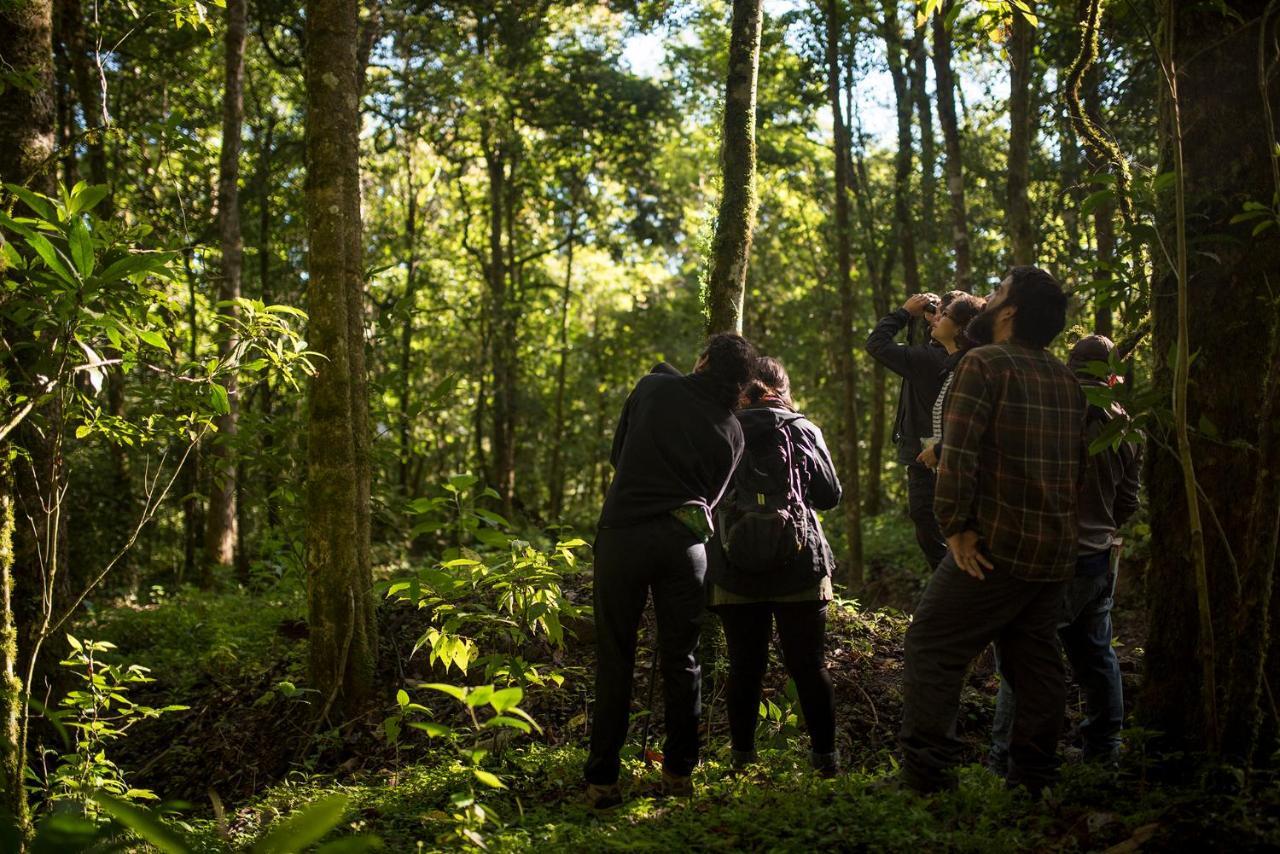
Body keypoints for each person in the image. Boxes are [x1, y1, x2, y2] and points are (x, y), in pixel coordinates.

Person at [897, 266, 1086, 795]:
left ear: (1010, 312)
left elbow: (960, 453)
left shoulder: (983, 363)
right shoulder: (1065, 378)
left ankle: (926, 778)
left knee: (932, 642)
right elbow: (1076, 469)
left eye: (997, 294)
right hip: (1051, 552)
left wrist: (954, 528)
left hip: (995, 547)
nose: (986, 302)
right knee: (1035, 662)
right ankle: (1034, 780)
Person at [585, 333, 757, 809]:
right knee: (683, 660)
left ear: (702, 360)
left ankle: (603, 780)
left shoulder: (653, 389)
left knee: (615, 657)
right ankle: (679, 774)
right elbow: (715, 499)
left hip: (624, 534)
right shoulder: (733, 430)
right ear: (742, 385)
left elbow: (619, 456)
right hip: (685, 546)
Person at [989, 334, 1141, 772]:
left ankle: (1008, 759)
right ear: (1112, 375)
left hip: (1049, 559)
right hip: (1098, 558)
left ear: (1068, 365)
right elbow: (1127, 504)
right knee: (1096, 656)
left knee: (1022, 655)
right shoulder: (1127, 424)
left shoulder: (1051, 412)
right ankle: (1104, 749)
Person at [708, 357, 842, 777]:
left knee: (745, 666)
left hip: (735, 565)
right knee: (809, 665)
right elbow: (829, 494)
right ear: (782, 388)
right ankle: (825, 762)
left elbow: (706, 493)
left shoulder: (724, 427)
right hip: (801, 564)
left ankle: (742, 761)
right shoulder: (802, 428)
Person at [866, 291, 962, 571]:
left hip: (928, 457)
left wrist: (905, 313)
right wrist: (930, 322)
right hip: (942, 452)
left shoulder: (928, 360)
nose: (935, 317)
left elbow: (877, 344)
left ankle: (949, 591)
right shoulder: (959, 356)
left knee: (928, 521)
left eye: (944, 314)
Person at [915, 293, 988, 471]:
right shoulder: (953, 367)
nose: (937, 317)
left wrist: (940, 451)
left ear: (959, 328)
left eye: (945, 314)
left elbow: (970, 430)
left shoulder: (969, 368)